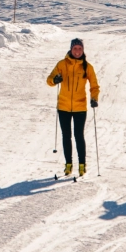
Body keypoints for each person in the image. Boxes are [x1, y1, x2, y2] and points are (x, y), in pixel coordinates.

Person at [47, 37, 99, 176]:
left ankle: (82, 165)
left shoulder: (87, 67)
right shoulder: (62, 64)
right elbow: (49, 80)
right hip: (63, 106)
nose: (77, 51)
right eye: (75, 48)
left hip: (80, 107)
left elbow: (94, 85)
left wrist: (94, 98)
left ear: (83, 50)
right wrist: (55, 80)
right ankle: (68, 164)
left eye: (80, 49)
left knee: (78, 135)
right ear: (71, 49)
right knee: (66, 136)